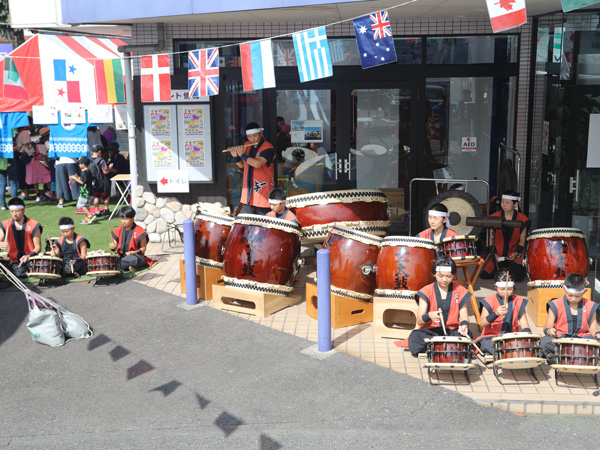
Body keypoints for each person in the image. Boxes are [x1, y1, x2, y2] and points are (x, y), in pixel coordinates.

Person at [408, 256, 473, 356]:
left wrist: (464, 325)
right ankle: (448, 348)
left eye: (449, 276)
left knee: (468, 335)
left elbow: (464, 316)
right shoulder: (426, 291)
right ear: (434, 274)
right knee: (415, 337)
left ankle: (435, 347)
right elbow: (419, 320)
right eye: (441, 276)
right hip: (431, 331)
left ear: (453, 275)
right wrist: (429, 315)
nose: (444, 279)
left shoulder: (460, 290)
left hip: (452, 331)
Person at [541, 273, 600, 364]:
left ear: (584, 292)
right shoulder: (555, 304)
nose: (573, 299)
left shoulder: (590, 305)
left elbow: (593, 328)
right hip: (562, 339)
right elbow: (546, 327)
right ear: (564, 289)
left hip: (581, 340)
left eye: (577, 296)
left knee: (596, 342)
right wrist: (550, 331)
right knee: (545, 341)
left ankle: (559, 356)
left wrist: (597, 334)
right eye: (570, 295)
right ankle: (579, 355)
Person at [475, 270, 532, 355]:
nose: (505, 292)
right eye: (502, 289)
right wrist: (496, 313)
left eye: (509, 289)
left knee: (527, 345)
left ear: (513, 287)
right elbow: (482, 323)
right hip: (492, 337)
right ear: (495, 287)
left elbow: (525, 324)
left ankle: (504, 352)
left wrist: (528, 336)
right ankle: (506, 352)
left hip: (511, 337)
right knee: (487, 344)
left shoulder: (518, 301)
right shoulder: (489, 301)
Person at [481, 190, 531, 281]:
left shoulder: (523, 219)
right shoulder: (494, 217)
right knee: (485, 274)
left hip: (514, 253)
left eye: (507, 203)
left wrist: (516, 253)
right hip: (498, 254)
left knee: (517, 276)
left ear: (515, 204)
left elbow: (522, 241)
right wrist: (494, 253)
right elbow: (491, 240)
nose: (504, 204)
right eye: (502, 202)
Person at [228, 122, 276, 215]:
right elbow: (242, 165)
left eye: (254, 136)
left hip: (262, 191)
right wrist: (235, 156)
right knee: (248, 224)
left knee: (263, 224)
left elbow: (258, 164)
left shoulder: (268, 147)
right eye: (249, 136)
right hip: (248, 193)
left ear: (261, 133)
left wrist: (242, 154)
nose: (252, 139)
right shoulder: (247, 145)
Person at [0, 198, 42, 277]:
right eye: (12, 211)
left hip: (30, 259)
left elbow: (38, 247)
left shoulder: (33, 225)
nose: (14, 214)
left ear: (23, 210)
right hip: (13, 260)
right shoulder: (5, 225)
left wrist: (28, 256)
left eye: (17, 211)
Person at [109, 206, 149, 273]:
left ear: (132, 218)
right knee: (109, 259)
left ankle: (122, 266)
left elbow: (143, 248)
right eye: (122, 218)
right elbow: (114, 246)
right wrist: (112, 246)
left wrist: (133, 252)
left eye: (126, 219)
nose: (123, 221)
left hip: (135, 256)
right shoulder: (118, 230)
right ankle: (127, 266)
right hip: (121, 256)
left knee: (134, 260)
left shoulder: (140, 231)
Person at [25, 127, 52, 202]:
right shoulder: (42, 146)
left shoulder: (34, 143)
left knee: (35, 180)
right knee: (47, 177)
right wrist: (49, 166)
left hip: (30, 164)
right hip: (37, 164)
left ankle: (38, 196)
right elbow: (45, 157)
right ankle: (49, 192)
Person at [69, 156, 96, 225]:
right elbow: (85, 179)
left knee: (80, 205)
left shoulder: (84, 172)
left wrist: (74, 178)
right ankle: (88, 219)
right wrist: (79, 178)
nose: (79, 165)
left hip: (84, 192)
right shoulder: (88, 171)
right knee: (87, 206)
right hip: (89, 191)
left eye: (80, 164)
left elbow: (82, 182)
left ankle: (90, 215)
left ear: (83, 164)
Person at [90, 144, 111, 217]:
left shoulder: (89, 160)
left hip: (94, 182)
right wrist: (110, 168)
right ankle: (106, 209)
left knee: (96, 196)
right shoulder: (101, 160)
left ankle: (97, 211)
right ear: (99, 151)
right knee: (107, 195)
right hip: (102, 181)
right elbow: (105, 171)